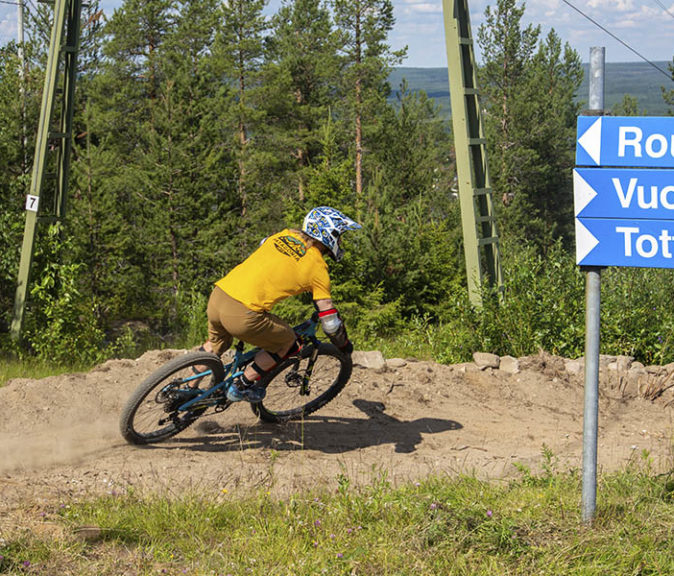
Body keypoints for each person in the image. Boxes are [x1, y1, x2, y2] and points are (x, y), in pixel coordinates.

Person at [195, 206, 361, 403]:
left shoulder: (284, 235)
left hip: (218, 295)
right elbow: (330, 323)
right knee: (290, 344)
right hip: (243, 313)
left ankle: (184, 389)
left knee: (216, 344)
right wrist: (344, 345)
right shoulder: (318, 268)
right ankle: (240, 386)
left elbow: (266, 248)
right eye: (339, 236)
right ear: (329, 236)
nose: (340, 242)